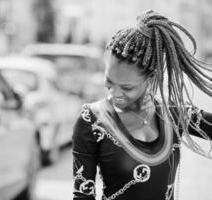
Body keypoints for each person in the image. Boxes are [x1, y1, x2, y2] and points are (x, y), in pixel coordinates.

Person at [72, 10, 212, 200]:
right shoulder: (92, 119)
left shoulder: (172, 115)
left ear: (151, 77)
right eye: (109, 82)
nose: (115, 93)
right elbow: (82, 195)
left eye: (127, 87)